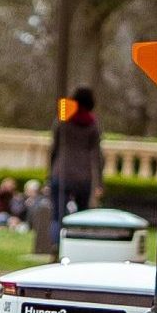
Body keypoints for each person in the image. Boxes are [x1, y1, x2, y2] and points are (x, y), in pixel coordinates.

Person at [48, 86, 104, 250]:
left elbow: (54, 148)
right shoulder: (93, 124)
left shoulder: (63, 120)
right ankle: (79, 245)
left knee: (58, 215)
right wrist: (99, 181)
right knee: (82, 215)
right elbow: (97, 155)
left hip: (61, 172)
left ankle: (57, 245)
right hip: (83, 175)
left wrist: (50, 172)